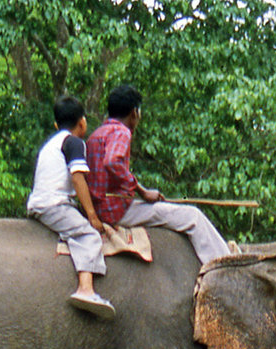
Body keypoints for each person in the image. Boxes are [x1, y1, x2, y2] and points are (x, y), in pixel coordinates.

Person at [85, 84, 230, 265]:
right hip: (115, 211)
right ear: (134, 113)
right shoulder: (122, 132)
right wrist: (142, 191)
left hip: (99, 208)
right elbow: (112, 162)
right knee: (193, 217)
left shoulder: (95, 135)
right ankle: (224, 265)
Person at [27, 96, 116, 319]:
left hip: (41, 202)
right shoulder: (74, 142)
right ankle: (85, 289)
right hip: (55, 205)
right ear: (82, 122)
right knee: (88, 235)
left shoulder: (50, 144)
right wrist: (92, 216)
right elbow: (77, 178)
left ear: (56, 124)